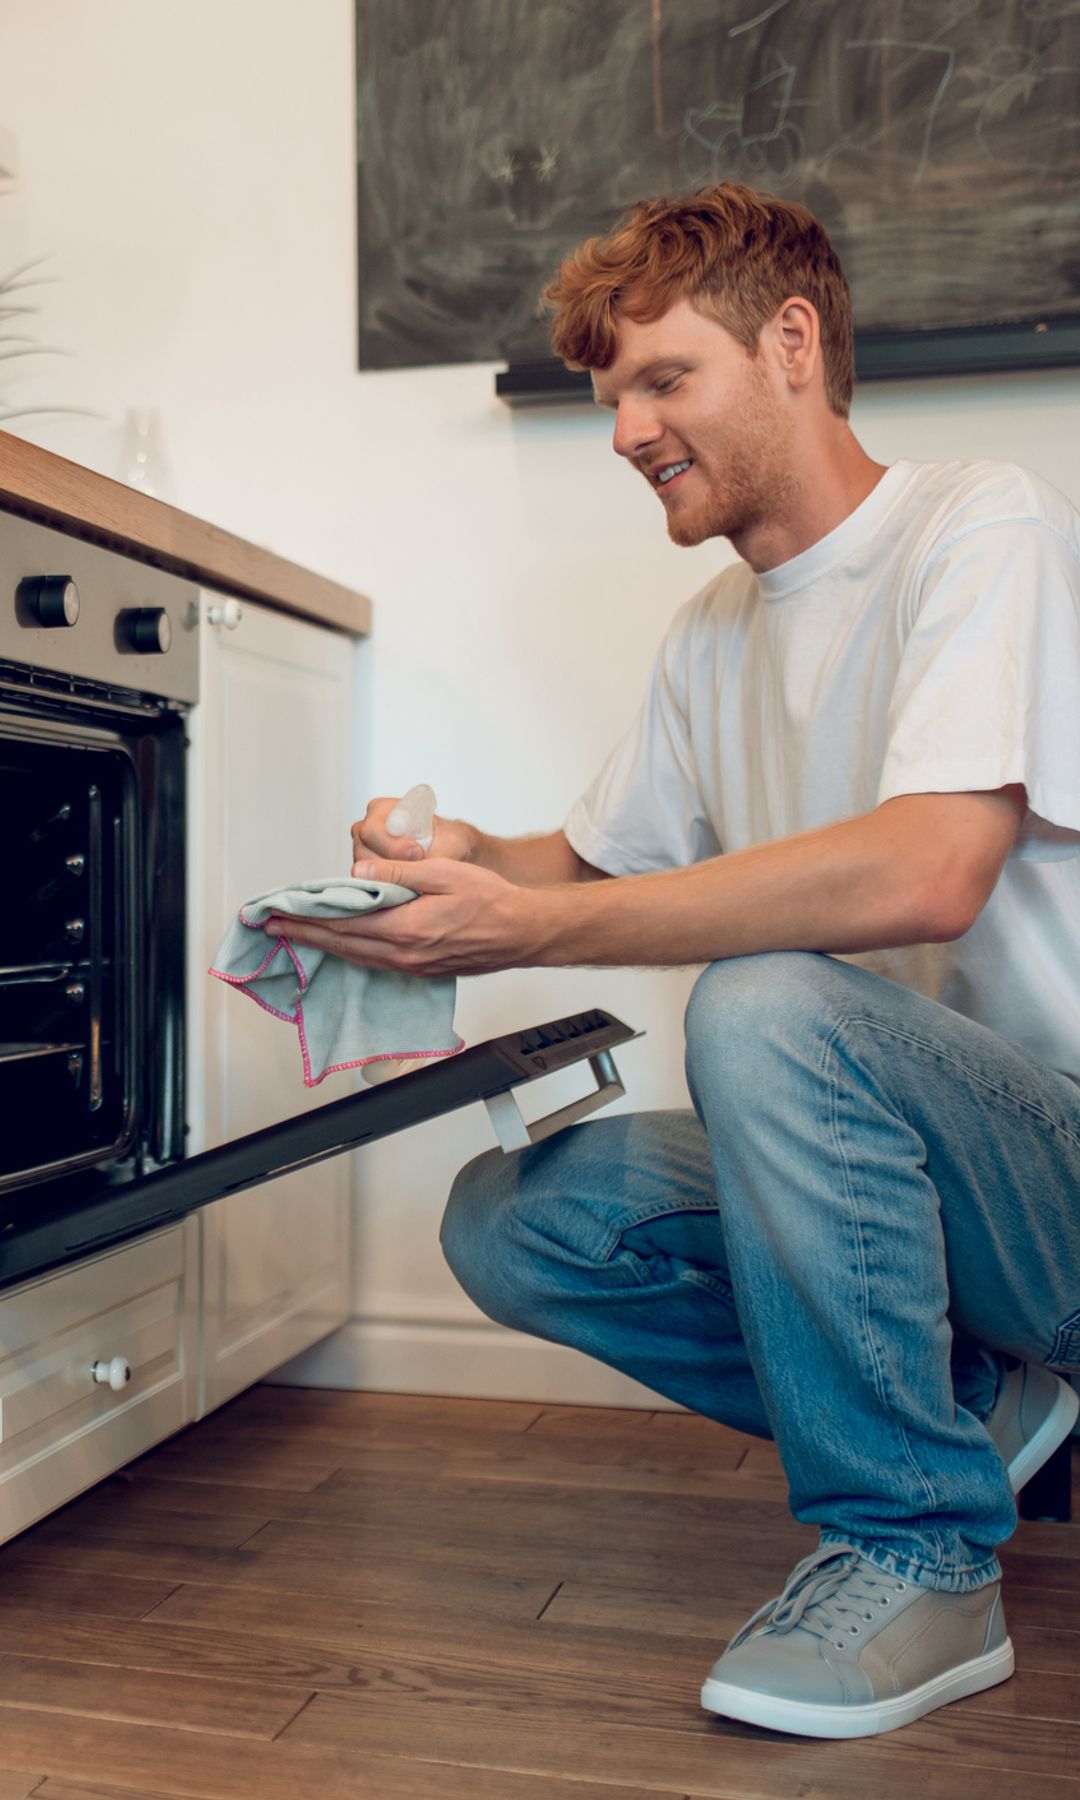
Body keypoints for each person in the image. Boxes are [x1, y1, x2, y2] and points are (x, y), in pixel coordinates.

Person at [270, 183, 1080, 1740]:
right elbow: (574, 868)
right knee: (527, 1220)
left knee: (768, 997)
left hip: (1053, 1175)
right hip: (921, 1189)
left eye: (661, 379)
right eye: (608, 398)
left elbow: (930, 871)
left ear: (791, 344)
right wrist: (435, 873)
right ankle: (969, 1418)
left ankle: (916, 1548)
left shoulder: (983, 528)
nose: (630, 429)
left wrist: (542, 926)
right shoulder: (716, 628)